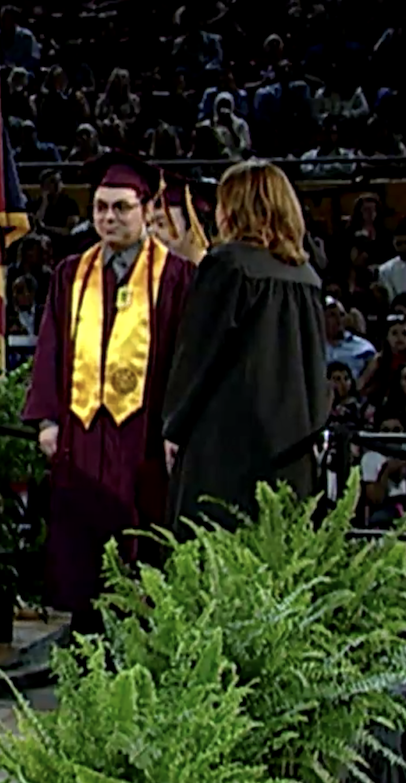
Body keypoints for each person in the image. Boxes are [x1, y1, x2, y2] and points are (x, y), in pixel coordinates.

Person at [21, 153, 195, 635]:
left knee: (143, 548)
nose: (109, 218)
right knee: (84, 556)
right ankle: (84, 644)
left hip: (144, 435)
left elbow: (187, 359)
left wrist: (178, 425)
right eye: (100, 208)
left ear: (145, 211)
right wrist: (48, 419)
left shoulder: (177, 278)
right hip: (83, 435)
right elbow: (50, 347)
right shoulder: (70, 273)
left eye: (120, 208)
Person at [163, 160, 328, 530]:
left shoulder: (228, 266)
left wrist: (174, 426)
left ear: (236, 207)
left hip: (227, 447)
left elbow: (199, 356)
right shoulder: (307, 276)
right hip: (292, 449)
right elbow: (317, 369)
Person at [148, 174, 212, 264]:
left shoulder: (221, 275)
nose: (151, 231)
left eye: (161, 224)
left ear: (196, 229)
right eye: (148, 224)